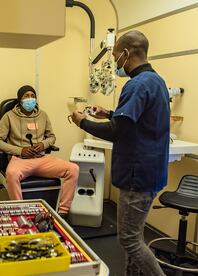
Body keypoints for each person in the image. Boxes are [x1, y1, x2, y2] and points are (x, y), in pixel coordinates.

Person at [70, 30, 169, 276]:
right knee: (134, 236)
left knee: (129, 240)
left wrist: (81, 122)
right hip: (151, 171)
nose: (115, 63)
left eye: (115, 57)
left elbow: (116, 132)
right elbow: (135, 121)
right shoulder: (156, 81)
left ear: (125, 53)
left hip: (138, 175)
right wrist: (110, 113)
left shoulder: (136, 85)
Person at [0, 85, 79, 219]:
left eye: (32, 96)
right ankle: (20, 214)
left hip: (42, 159)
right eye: (26, 96)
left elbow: (52, 137)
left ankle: (62, 213)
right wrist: (20, 150)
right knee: (12, 174)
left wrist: (43, 144)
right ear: (20, 99)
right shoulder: (9, 116)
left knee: (73, 169)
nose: (30, 99)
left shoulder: (42, 115)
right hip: (20, 160)